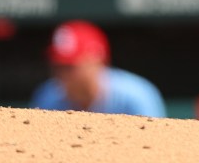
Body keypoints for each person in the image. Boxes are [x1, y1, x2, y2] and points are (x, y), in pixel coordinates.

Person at [30, 20, 165, 117]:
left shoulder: (136, 95)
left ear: (97, 61)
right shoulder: (48, 96)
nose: (61, 74)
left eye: (70, 66)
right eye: (57, 66)